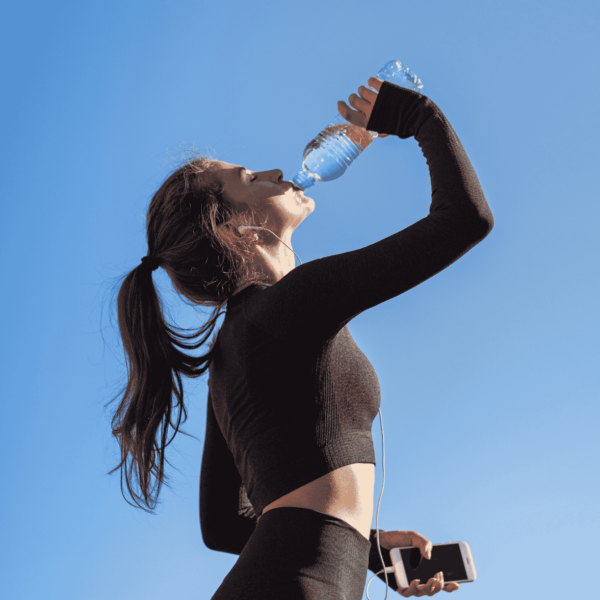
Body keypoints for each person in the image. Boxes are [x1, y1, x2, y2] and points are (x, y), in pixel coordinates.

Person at [108, 76, 494, 599]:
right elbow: (464, 219)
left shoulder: (234, 352)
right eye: (247, 176)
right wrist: (420, 116)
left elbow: (221, 527)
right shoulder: (291, 304)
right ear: (234, 229)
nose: (270, 171)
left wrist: (371, 550)